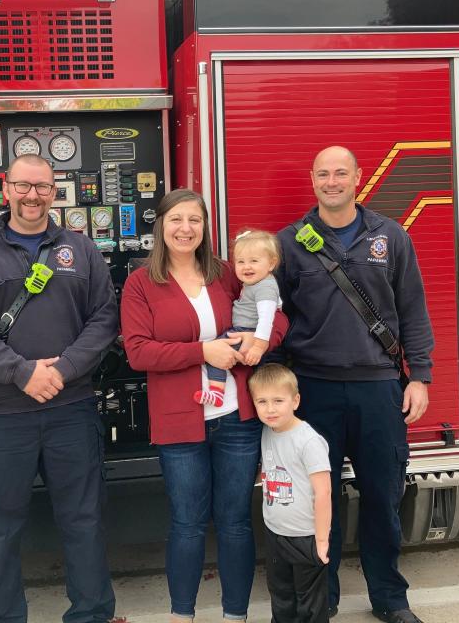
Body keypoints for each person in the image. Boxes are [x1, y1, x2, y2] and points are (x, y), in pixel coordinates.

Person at [0, 154, 119, 623]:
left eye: (42, 187)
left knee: (84, 522)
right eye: (23, 186)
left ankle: (91, 614)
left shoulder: (81, 250)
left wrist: (63, 369)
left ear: (55, 191)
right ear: (6, 188)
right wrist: (21, 372)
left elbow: (104, 319)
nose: (32, 195)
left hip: (72, 409)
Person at [275, 146, 434, 623]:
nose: (331, 181)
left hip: (379, 388)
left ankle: (390, 597)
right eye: (322, 173)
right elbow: (275, 320)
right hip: (314, 390)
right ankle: (323, 599)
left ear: (359, 178)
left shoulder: (391, 236)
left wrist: (420, 376)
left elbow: (412, 310)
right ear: (312, 179)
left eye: (340, 172)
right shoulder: (289, 242)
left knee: (383, 497)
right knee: (318, 501)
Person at [120, 188, 289, 623]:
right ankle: (183, 614)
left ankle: (236, 615)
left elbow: (276, 311)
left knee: (235, 522)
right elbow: (139, 352)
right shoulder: (142, 283)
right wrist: (203, 351)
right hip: (179, 422)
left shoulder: (226, 273)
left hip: (236, 418)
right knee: (187, 523)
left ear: (204, 227)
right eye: (176, 219)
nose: (185, 228)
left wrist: (260, 339)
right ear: (160, 224)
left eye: (194, 220)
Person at [251, 364, 331, 623]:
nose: (270, 409)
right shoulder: (267, 432)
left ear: (295, 400)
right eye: (262, 401)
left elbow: (323, 493)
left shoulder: (308, 441)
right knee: (281, 596)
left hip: (306, 537)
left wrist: (321, 541)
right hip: (276, 534)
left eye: (278, 400)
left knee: (310, 605)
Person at [198, 229, 281, 407]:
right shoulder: (259, 283)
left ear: (271, 263)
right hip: (242, 330)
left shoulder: (264, 287)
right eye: (240, 261)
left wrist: (258, 346)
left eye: (254, 261)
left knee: (216, 354)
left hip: (245, 332)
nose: (246, 267)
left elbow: (267, 320)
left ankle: (216, 393)